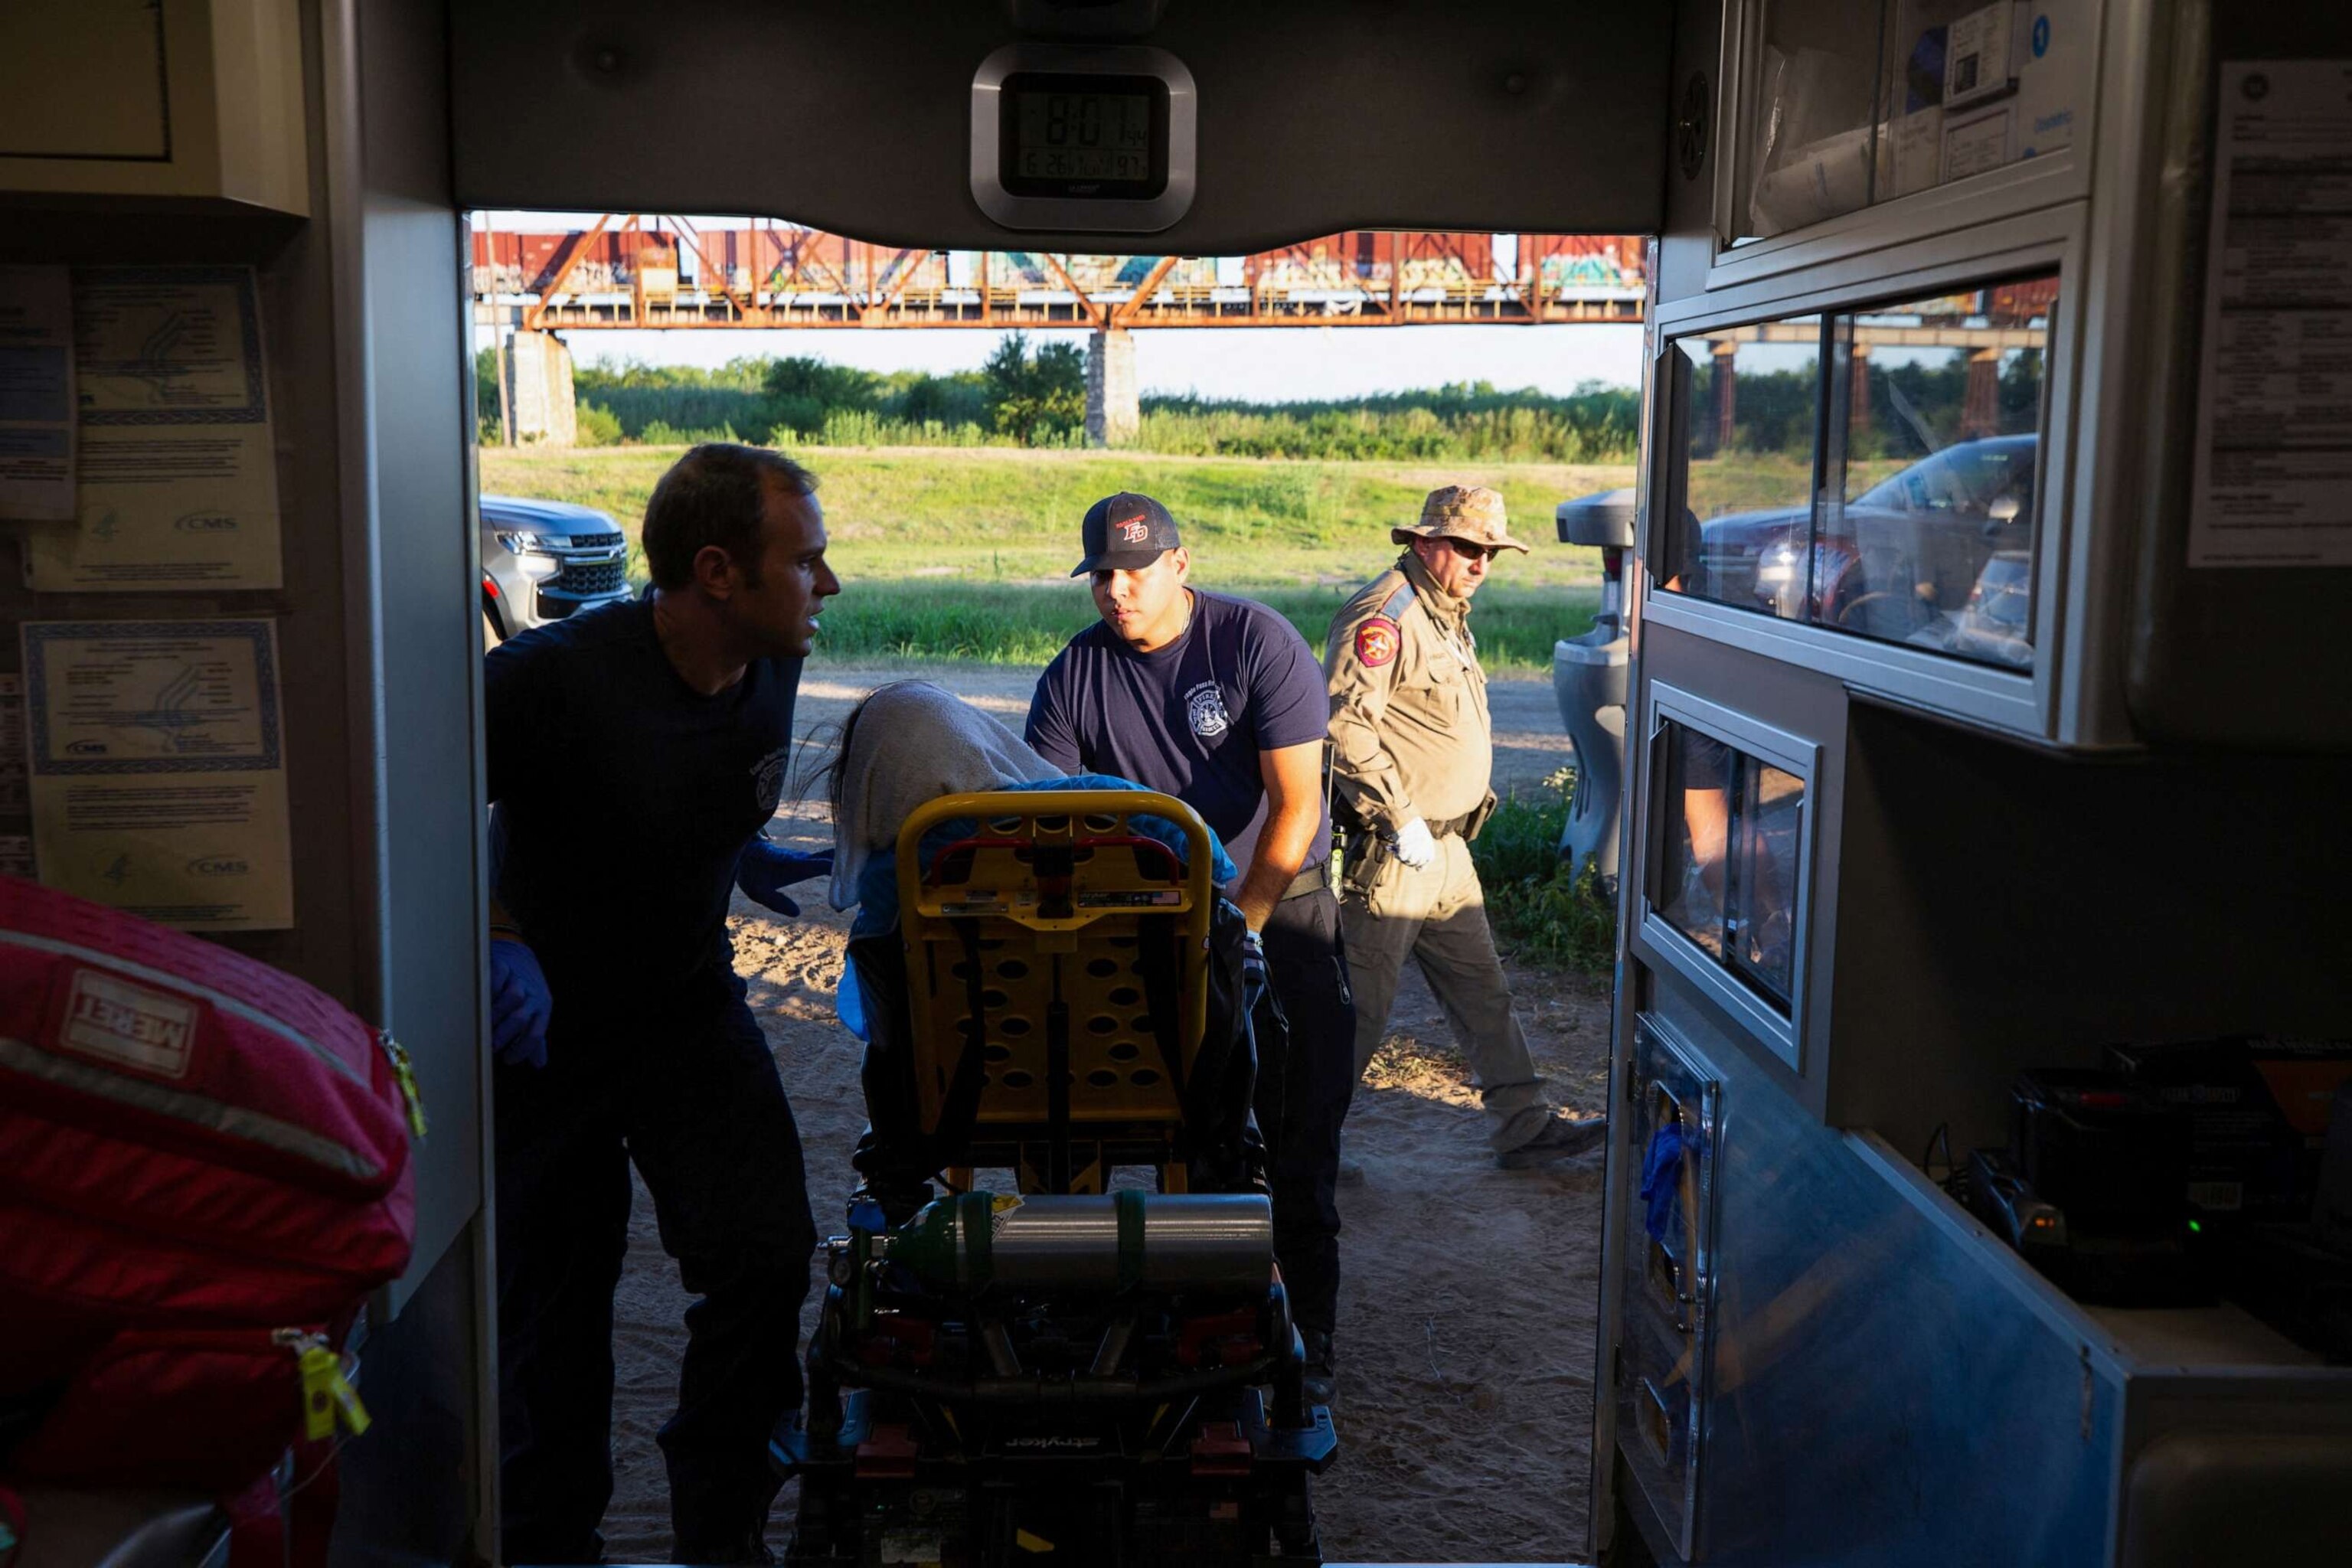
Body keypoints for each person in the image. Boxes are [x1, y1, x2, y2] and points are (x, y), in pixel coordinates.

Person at [484, 443, 838, 1566]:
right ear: (719, 572)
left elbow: (695, 783)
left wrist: (746, 851)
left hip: (687, 1006)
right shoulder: (553, 677)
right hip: (549, 1035)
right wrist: (496, 934)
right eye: (807, 562)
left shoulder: (774, 663)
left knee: (767, 1255)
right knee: (557, 1304)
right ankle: (548, 1542)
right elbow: (415, 795)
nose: (827, 585)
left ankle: (719, 1529)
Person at [1024, 492, 1356, 1405]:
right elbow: (1048, 827)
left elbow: (1296, 807)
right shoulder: (1072, 678)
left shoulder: (1255, 643)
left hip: (1276, 903)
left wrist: (1241, 925)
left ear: (1179, 563)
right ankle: (1159, 1316)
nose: (1117, 591)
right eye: (1102, 575)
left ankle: (1307, 1337)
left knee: (1295, 1133)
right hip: (1142, 920)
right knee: (1135, 1127)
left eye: (1135, 570)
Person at [1325, 484, 1603, 1171]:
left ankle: (1524, 1126)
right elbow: (1342, 728)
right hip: (1395, 852)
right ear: (1425, 544)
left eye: (1491, 550)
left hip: (1447, 850)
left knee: (1485, 994)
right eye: (1468, 547)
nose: (1482, 562)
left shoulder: (1445, 611)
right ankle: (1302, 1148)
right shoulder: (1384, 615)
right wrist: (1398, 820)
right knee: (1356, 1014)